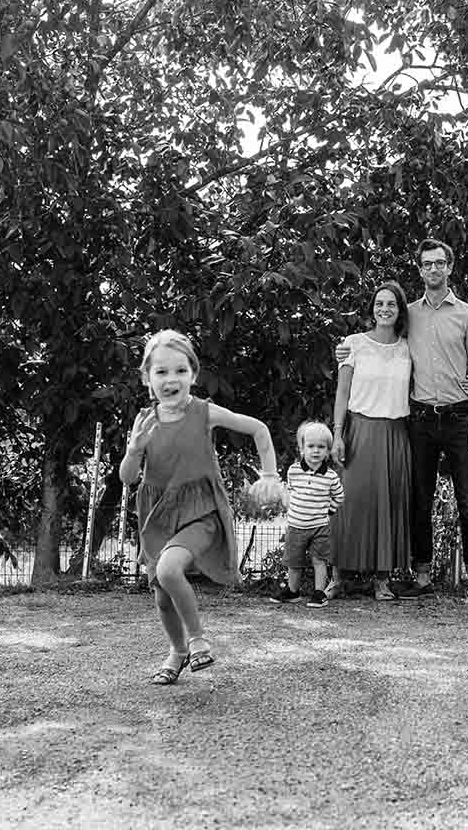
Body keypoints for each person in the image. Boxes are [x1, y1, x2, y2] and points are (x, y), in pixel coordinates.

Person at [336, 239, 468, 602]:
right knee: (419, 500)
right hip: (420, 419)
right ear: (420, 270)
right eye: (427, 264)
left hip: (459, 417)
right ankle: (421, 578)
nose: (434, 269)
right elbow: (378, 344)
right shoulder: (408, 314)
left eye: (440, 263)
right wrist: (343, 350)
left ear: (449, 267)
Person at [120, 329, 282, 685]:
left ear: (193, 374)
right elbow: (128, 478)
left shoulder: (205, 413)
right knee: (163, 596)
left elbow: (258, 429)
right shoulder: (144, 422)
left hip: (200, 511)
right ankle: (177, 652)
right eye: (161, 372)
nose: (171, 379)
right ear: (147, 378)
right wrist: (134, 450)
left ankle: (197, 641)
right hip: (158, 516)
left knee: (168, 569)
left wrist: (269, 474)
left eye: (180, 371)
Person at [327, 281, 413, 601]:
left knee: (388, 504)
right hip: (359, 430)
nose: (384, 309)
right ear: (372, 309)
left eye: (391, 304)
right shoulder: (353, 344)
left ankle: (382, 581)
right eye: (379, 304)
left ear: (399, 310)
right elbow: (342, 393)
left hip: (395, 433)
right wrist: (337, 434)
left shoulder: (408, 347)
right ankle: (337, 578)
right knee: (349, 502)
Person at [269, 420, 344, 608]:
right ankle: (293, 592)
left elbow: (339, 496)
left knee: (319, 560)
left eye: (321, 447)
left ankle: (319, 593)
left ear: (327, 451)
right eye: (310, 446)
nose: (316, 451)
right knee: (293, 561)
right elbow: (293, 492)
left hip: (319, 526)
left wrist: (330, 511)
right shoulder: (293, 471)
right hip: (296, 526)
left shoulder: (331, 477)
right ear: (302, 449)